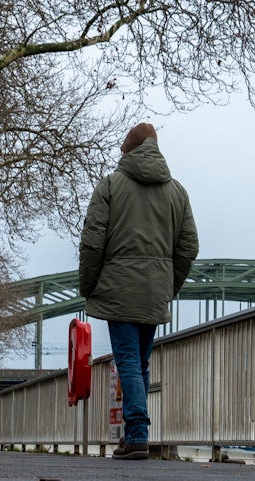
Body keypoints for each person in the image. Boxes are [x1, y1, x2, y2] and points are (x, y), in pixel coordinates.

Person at [79, 122, 199, 461]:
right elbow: (189, 246)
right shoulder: (177, 192)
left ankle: (136, 437)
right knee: (140, 363)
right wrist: (168, 286)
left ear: (128, 151)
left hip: (118, 290)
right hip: (154, 291)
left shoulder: (111, 186)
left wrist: (89, 285)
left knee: (128, 361)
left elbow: (92, 241)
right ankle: (136, 434)